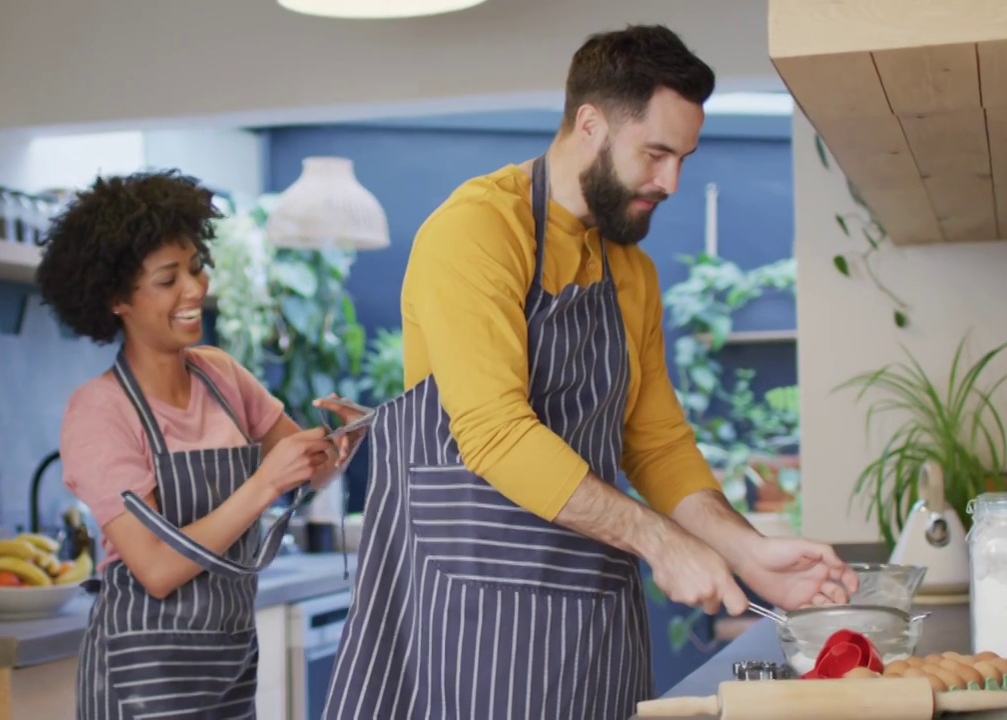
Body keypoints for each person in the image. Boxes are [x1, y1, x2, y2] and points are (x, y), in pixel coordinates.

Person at [324, 24, 859, 719]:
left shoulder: (630, 270)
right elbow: (492, 432)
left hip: (594, 625)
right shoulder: (478, 230)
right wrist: (662, 541)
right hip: (472, 627)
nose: (671, 182)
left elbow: (657, 443)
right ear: (590, 123)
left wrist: (748, 552)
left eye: (683, 158)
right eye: (657, 153)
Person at [36, 170, 359, 719]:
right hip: (143, 674)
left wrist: (338, 444)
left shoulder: (221, 375)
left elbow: (306, 470)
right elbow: (157, 569)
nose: (194, 289)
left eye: (195, 267)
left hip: (228, 663)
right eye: (168, 280)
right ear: (117, 299)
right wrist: (265, 483)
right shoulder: (100, 411)